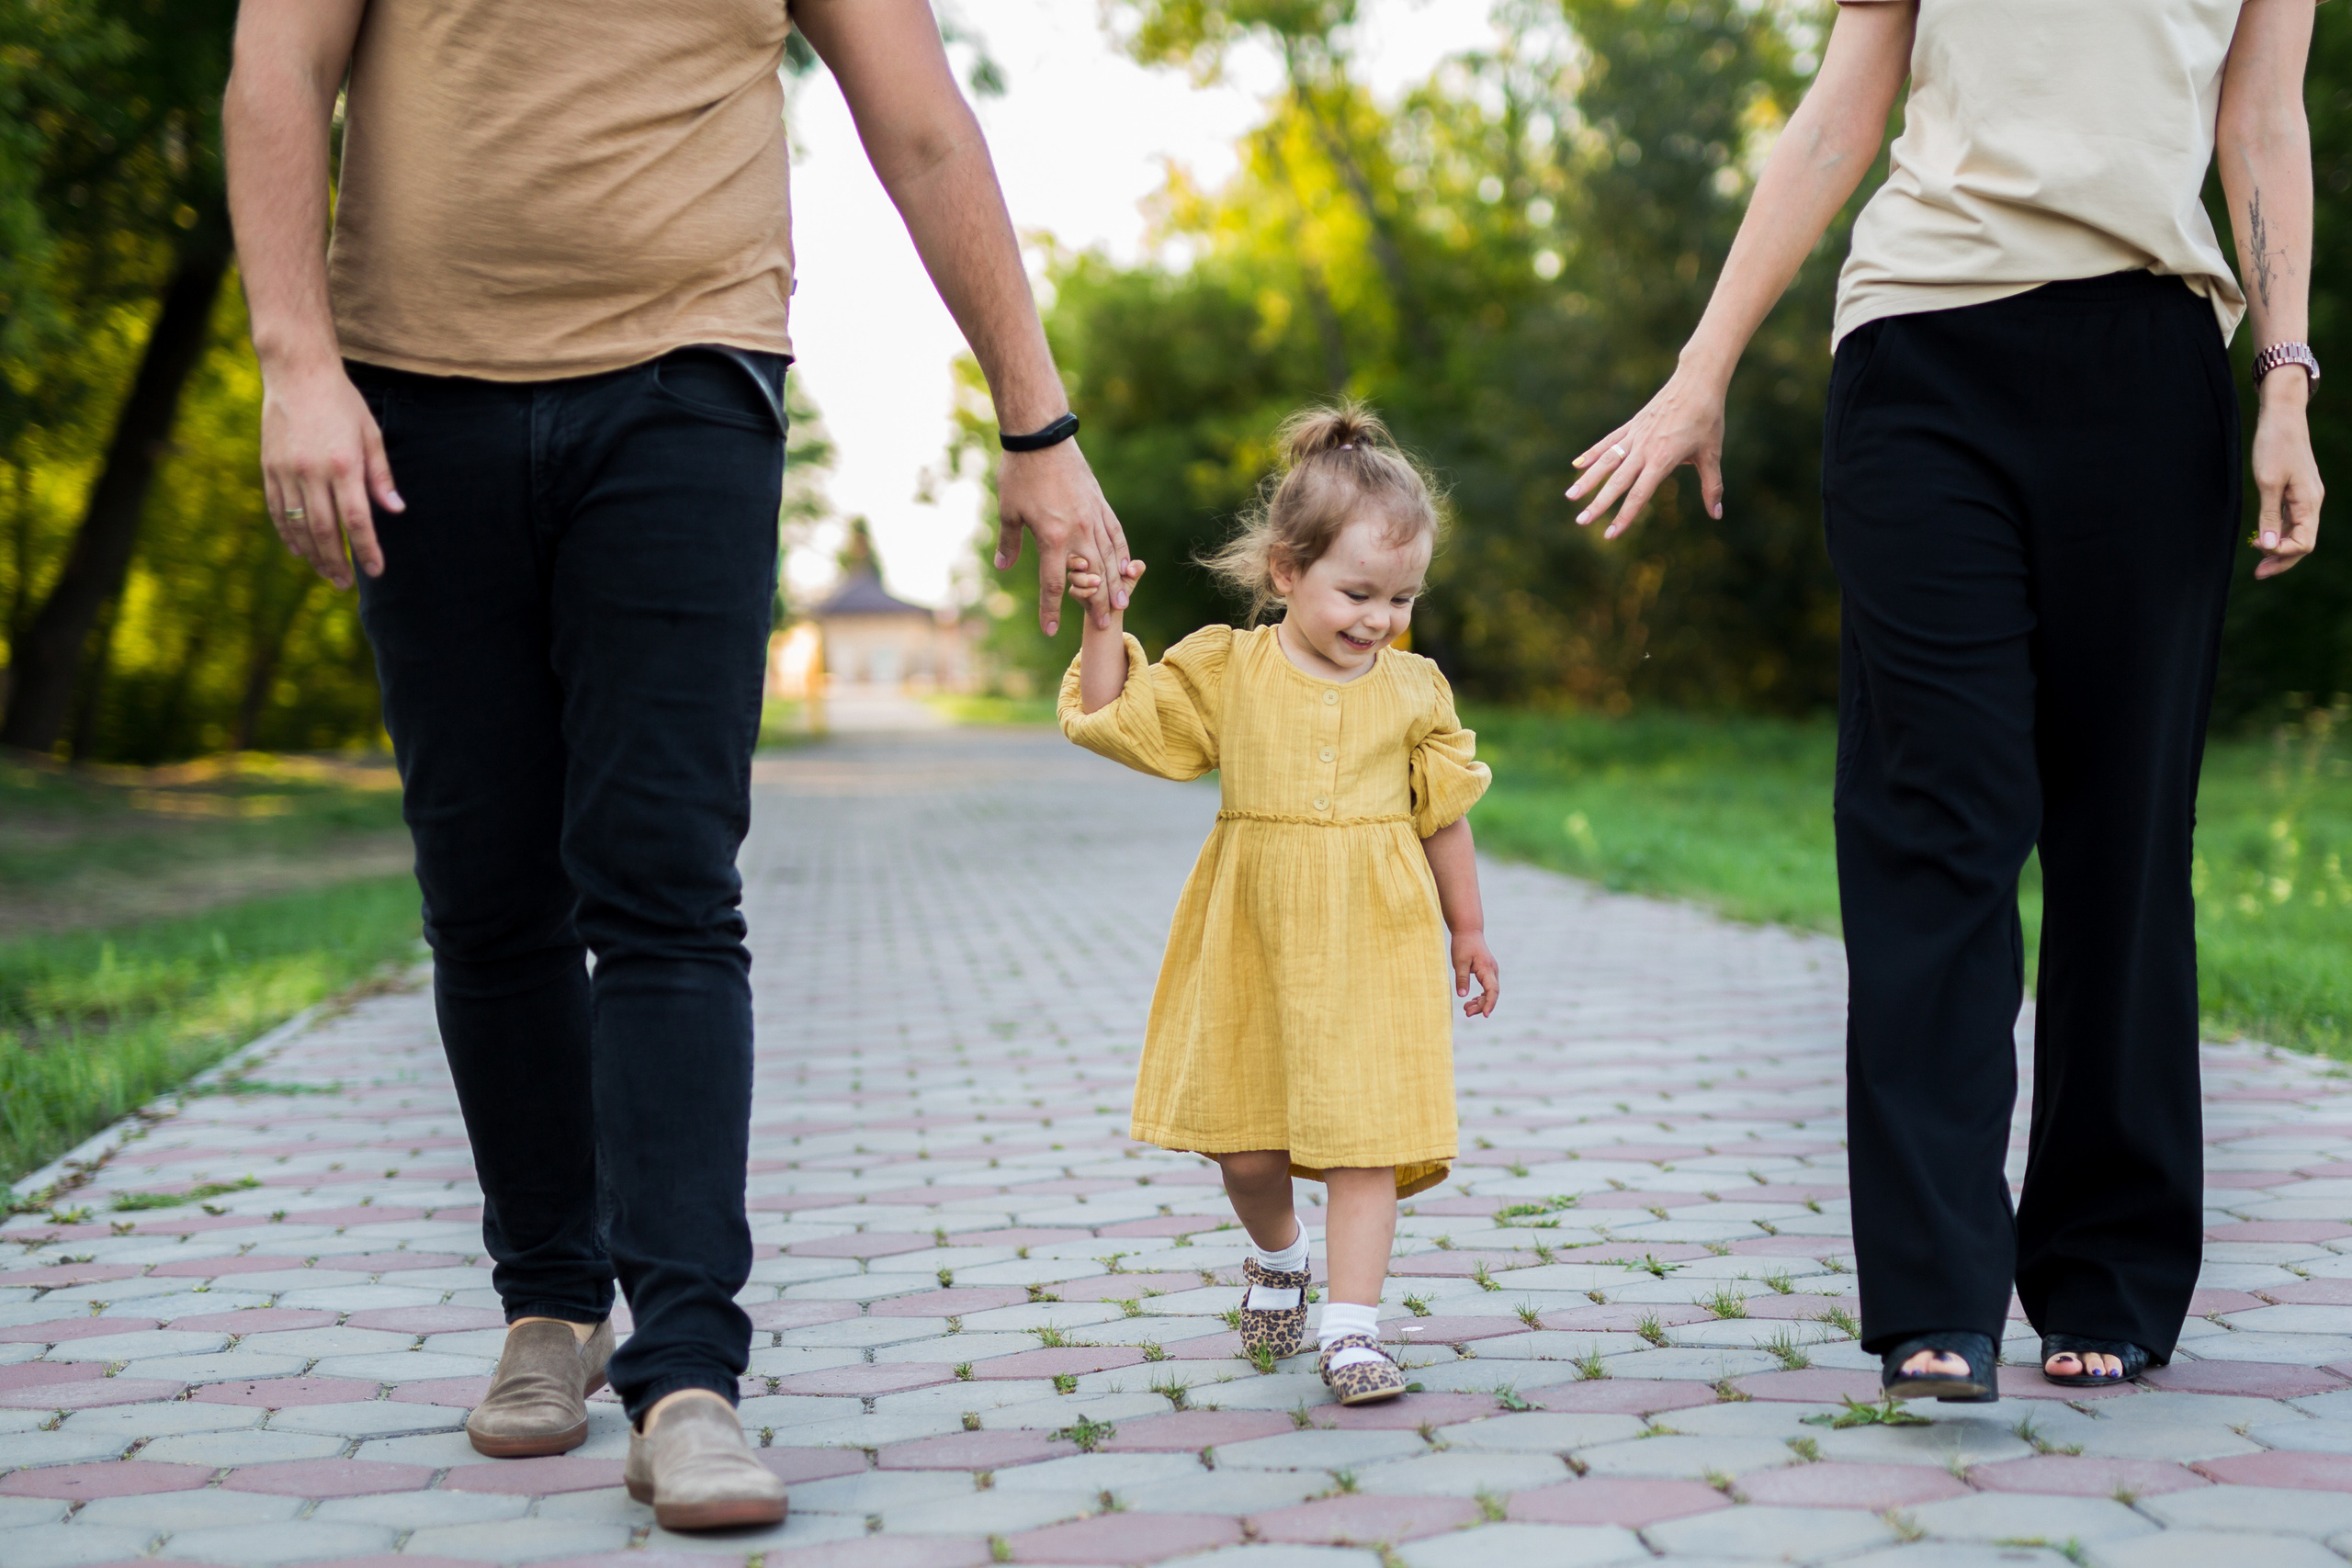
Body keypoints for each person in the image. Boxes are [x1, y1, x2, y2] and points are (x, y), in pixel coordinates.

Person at [221, 0, 1130, 1530]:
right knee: (487, 885)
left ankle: (689, 1375)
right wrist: (294, 362)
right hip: (412, 399)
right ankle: (551, 1299)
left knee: (664, 879)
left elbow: (920, 124)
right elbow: (277, 70)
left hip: (686, 388)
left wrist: (1038, 425)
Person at [1568, 0, 2324, 1399]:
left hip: (2151, 363)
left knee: (2123, 839)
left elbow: (2262, 117)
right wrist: (1700, 366)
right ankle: (1934, 1293)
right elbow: (1844, 105)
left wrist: (2285, 382)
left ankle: (2105, 1269)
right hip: (1921, 349)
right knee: (1935, 813)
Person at [1057, 404, 1499, 1405]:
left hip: (1378, 940)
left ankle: (1352, 1331)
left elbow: (1443, 815)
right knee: (1247, 1147)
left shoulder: (1416, 689)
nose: (1380, 619)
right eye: (1358, 592)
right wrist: (1104, 621)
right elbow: (1116, 717)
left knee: (1365, 1136)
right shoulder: (1230, 669)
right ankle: (1277, 1255)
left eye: (1402, 597)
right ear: (1287, 571)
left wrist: (1467, 929)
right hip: (1252, 936)